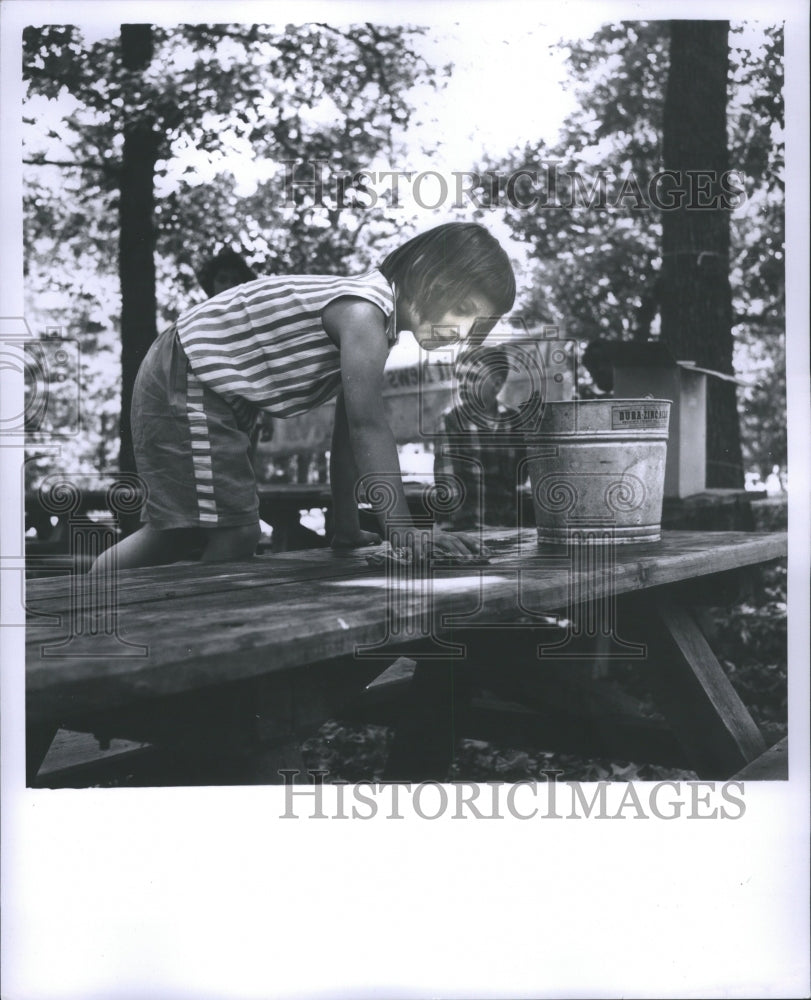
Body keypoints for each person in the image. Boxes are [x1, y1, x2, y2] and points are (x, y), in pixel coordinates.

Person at [91, 222, 516, 572]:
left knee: (183, 528)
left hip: (201, 382)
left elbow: (349, 436)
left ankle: (101, 591)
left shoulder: (375, 327)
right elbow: (370, 428)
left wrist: (348, 528)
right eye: (461, 308)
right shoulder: (364, 312)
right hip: (190, 375)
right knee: (236, 531)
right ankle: (200, 641)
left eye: (476, 322)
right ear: (427, 271)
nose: (463, 330)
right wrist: (403, 532)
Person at [433, 346, 526, 529]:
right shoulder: (451, 420)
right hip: (460, 527)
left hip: (505, 525)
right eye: (460, 378)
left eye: (473, 378)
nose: (463, 384)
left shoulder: (513, 420)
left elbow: (520, 477)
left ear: (497, 385)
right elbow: (447, 481)